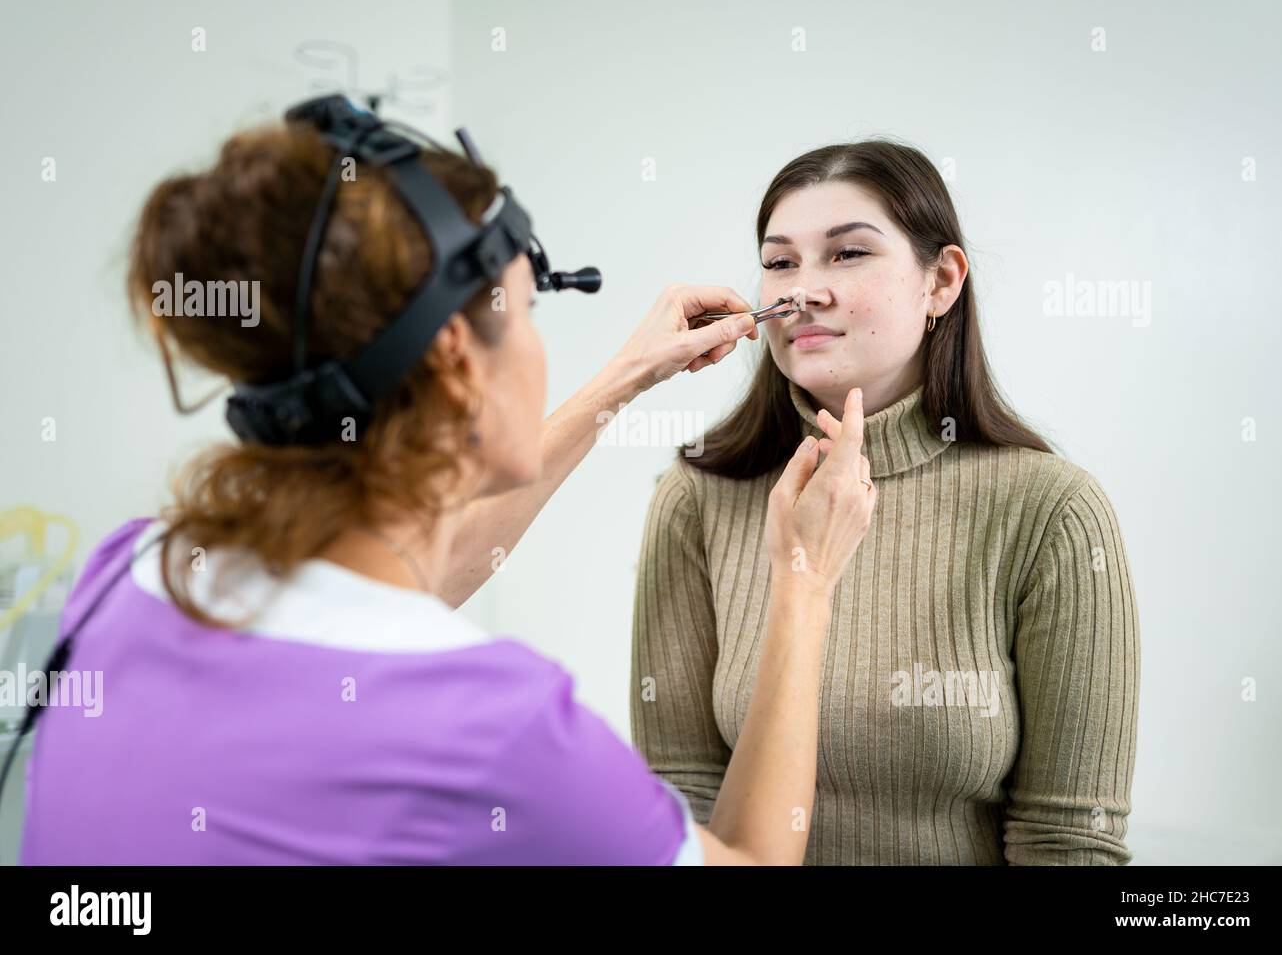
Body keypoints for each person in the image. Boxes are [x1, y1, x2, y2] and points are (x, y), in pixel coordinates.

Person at [18, 113, 877, 865]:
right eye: (527, 310)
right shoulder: (494, 730)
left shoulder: (129, 573)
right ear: (458, 362)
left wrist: (623, 379)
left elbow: (405, 577)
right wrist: (803, 582)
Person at [631, 141, 1141, 865]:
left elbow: (1069, 842)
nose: (805, 289)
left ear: (941, 282)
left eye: (847, 255)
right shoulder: (696, 498)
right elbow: (680, 814)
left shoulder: (1052, 510)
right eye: (780, 263)